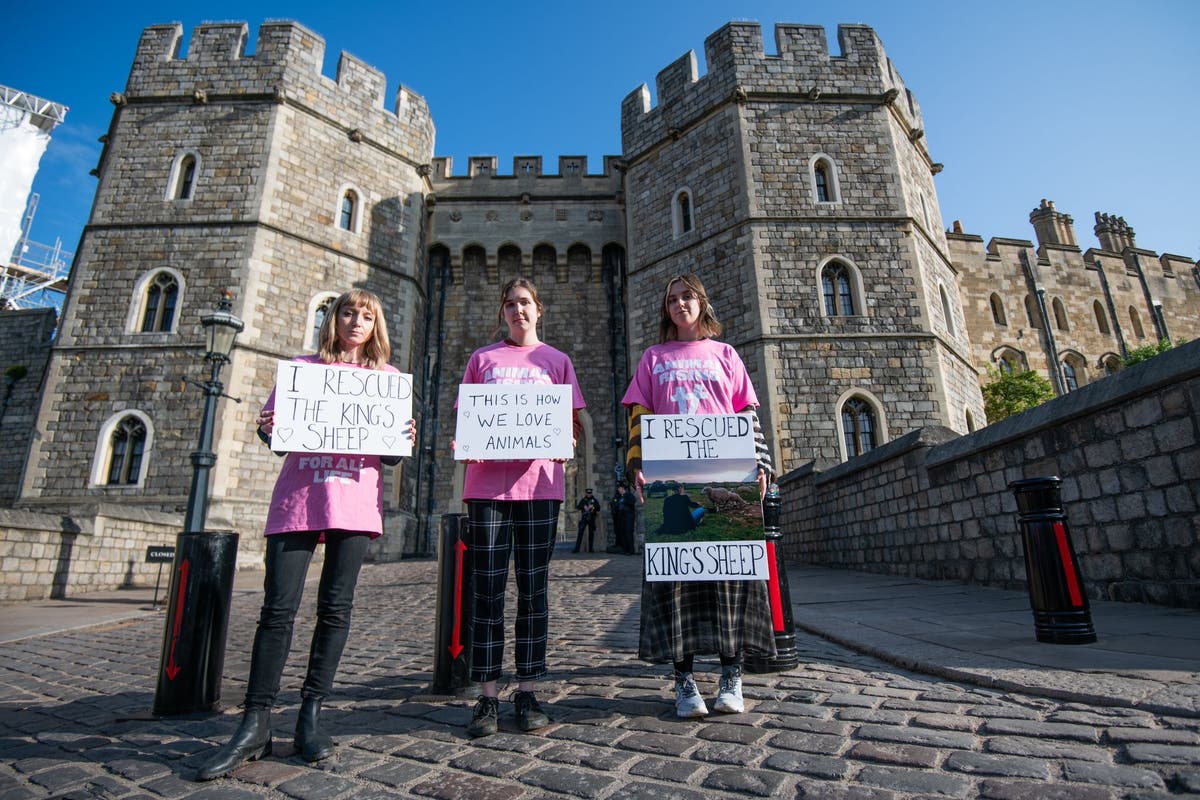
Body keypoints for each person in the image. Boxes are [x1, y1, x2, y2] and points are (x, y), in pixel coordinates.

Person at [195, 289, 416, 781]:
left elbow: (391, 457)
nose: (355, 322)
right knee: (277, 612)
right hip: (299, 498)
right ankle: (255, 722)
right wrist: (268, 428)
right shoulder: (301, 370)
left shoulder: (386, 381)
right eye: (347, 312)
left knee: (335, 611)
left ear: (374, 325)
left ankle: (310, 716)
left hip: (354, 503)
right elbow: (279, 443)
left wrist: (404, 436)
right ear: (332, 319)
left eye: (366, 316)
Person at [622, 272, 774, 718]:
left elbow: (746, 412)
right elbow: (639, 417)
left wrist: (760, 467)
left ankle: (731, 676)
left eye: (687, 296)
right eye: (672, 299)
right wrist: (639, 466)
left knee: (728, 580)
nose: (679, 304)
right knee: (677, 584)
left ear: (701, 303)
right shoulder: (653, 358)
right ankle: (684, 681)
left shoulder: (726, 354)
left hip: (726, 472)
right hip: (674, 480)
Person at [458, 277, 586, 737]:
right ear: (502, 312)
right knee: (487, 593)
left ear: (539, 309)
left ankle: (528, 689)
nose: (518, 310)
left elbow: (570, 423)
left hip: (540, 489)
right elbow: (468, 418)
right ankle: (487, 697)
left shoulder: (557, 361)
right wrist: (464, 442)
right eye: (510, 304)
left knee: (534, 592)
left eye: (525, 303)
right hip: (488, 490)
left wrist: (567, 439)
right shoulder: (482, 359)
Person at [610, 483, 636, 554]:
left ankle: (631, 550)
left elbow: (632, 502)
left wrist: (624, 501)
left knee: (628, 533)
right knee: (623, 533)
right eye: (618, 488)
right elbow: (616, 506)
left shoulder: (629, 495)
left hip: (628, 516)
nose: (618, 490)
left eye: (619, 488)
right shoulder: (620, 497)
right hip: (621, 517)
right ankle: (625, 549)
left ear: (622, 488)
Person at [573, 488, 601, 553]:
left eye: (590, 493)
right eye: (588, 493)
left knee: (591, 534)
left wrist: (592, 507)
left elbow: (598, 508)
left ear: (591, 493)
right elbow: (578, 507)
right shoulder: (583, 500)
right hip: (584, 518)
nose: (589, 494)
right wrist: (583, 506)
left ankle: (591, 549)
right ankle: (577, 549)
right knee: (580, 533)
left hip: (591, 518)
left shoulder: (594, 500)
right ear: (586, 493)